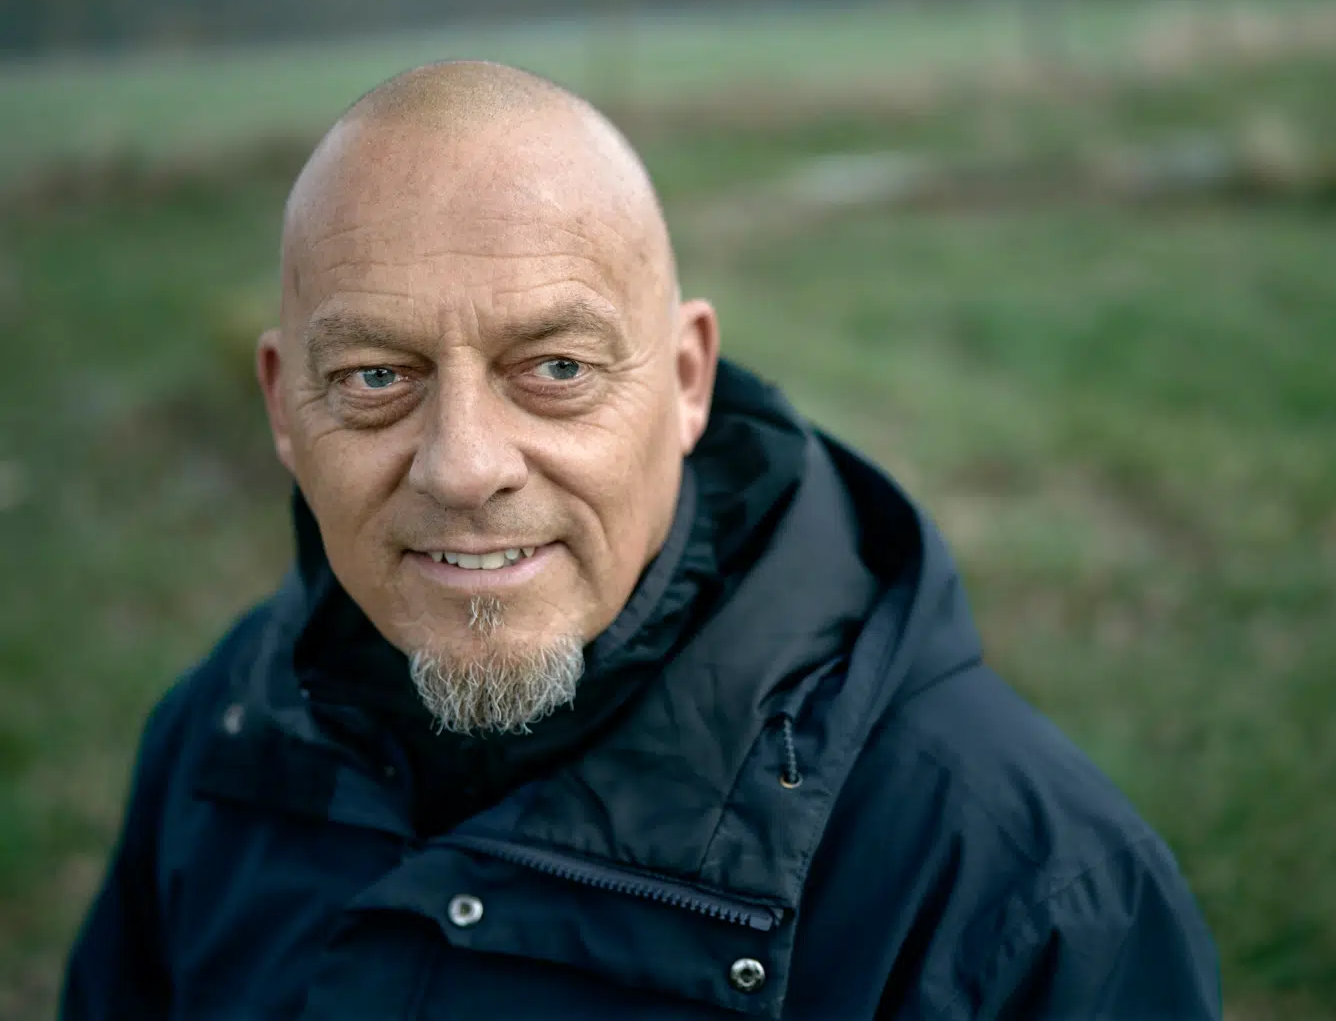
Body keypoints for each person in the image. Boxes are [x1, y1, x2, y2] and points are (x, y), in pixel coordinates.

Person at [62, 61, 1221, 1020]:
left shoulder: (1027, 890)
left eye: (556, 369)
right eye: (375, 376)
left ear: (683, 381)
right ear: (281, 406)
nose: (465, 465)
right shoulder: (216, 741)